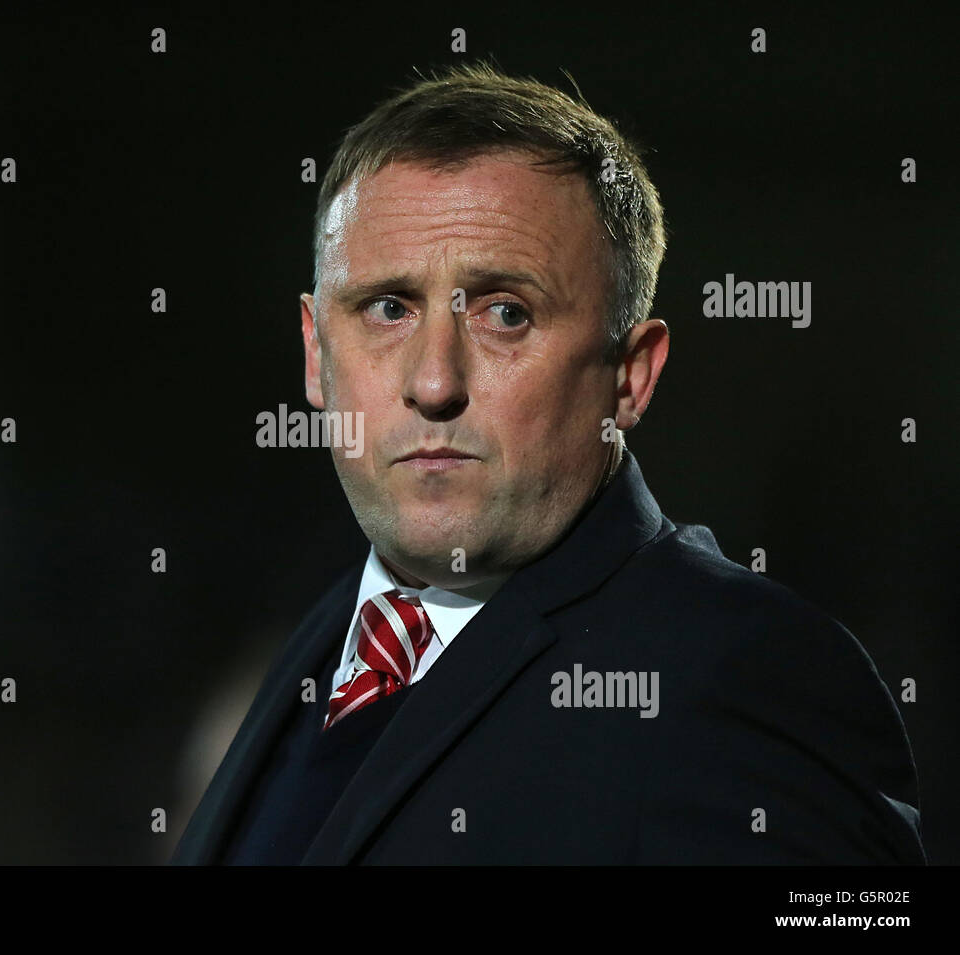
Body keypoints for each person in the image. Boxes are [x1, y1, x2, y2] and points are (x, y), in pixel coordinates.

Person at [172, 60, 925, 865]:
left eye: (506, 313)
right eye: (388, 308)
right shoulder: (312, 651)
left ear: (631, 375)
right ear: (317, 356)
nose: (433, 383)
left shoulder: (744, 676)